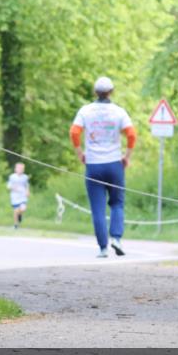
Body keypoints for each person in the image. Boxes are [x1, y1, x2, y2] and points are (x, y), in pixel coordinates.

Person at [70, 76, 137, 258]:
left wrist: (79, 153)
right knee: (117, 203)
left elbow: (74, 132)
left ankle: (103, 248)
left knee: (98, 208)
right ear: (111, 92)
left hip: (93, 164)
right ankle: (117, 238)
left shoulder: (86, 111)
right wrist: (127, 157)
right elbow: (131, 134)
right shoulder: (119, 112)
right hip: (114, 163)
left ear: (95, 92)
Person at [7, 162, 30, 229]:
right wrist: (13, 187)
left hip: (22, 196)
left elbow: (27, 186)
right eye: (19, 168)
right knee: (15, 211)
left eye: (22, 168)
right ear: (15, 169)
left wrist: (28, 192)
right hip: (15, 197)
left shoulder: (25, 177)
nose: (20, 170)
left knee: (23, 208)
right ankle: (16, 224)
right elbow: (8, 186)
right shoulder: (12, 177)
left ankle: (20, 215)